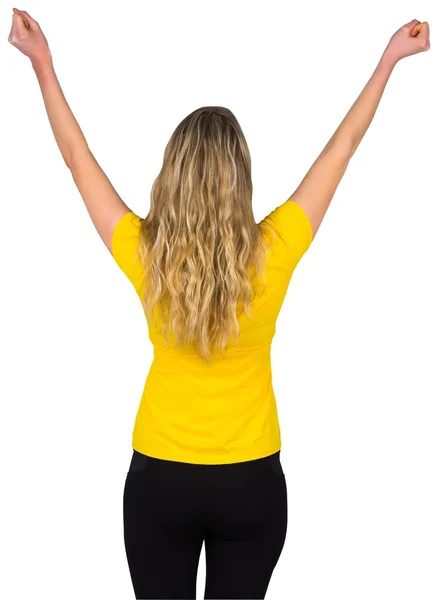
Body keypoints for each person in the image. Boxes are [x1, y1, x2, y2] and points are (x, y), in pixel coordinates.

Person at [8, 9, 430, 599]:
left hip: (161, 479)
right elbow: (344, 148)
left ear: (172, 175)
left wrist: (43, 66)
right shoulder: (274, 249)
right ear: (242, 177)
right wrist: (388, 62)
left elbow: (77, 161)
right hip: (251, 484)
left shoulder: (145, 252)